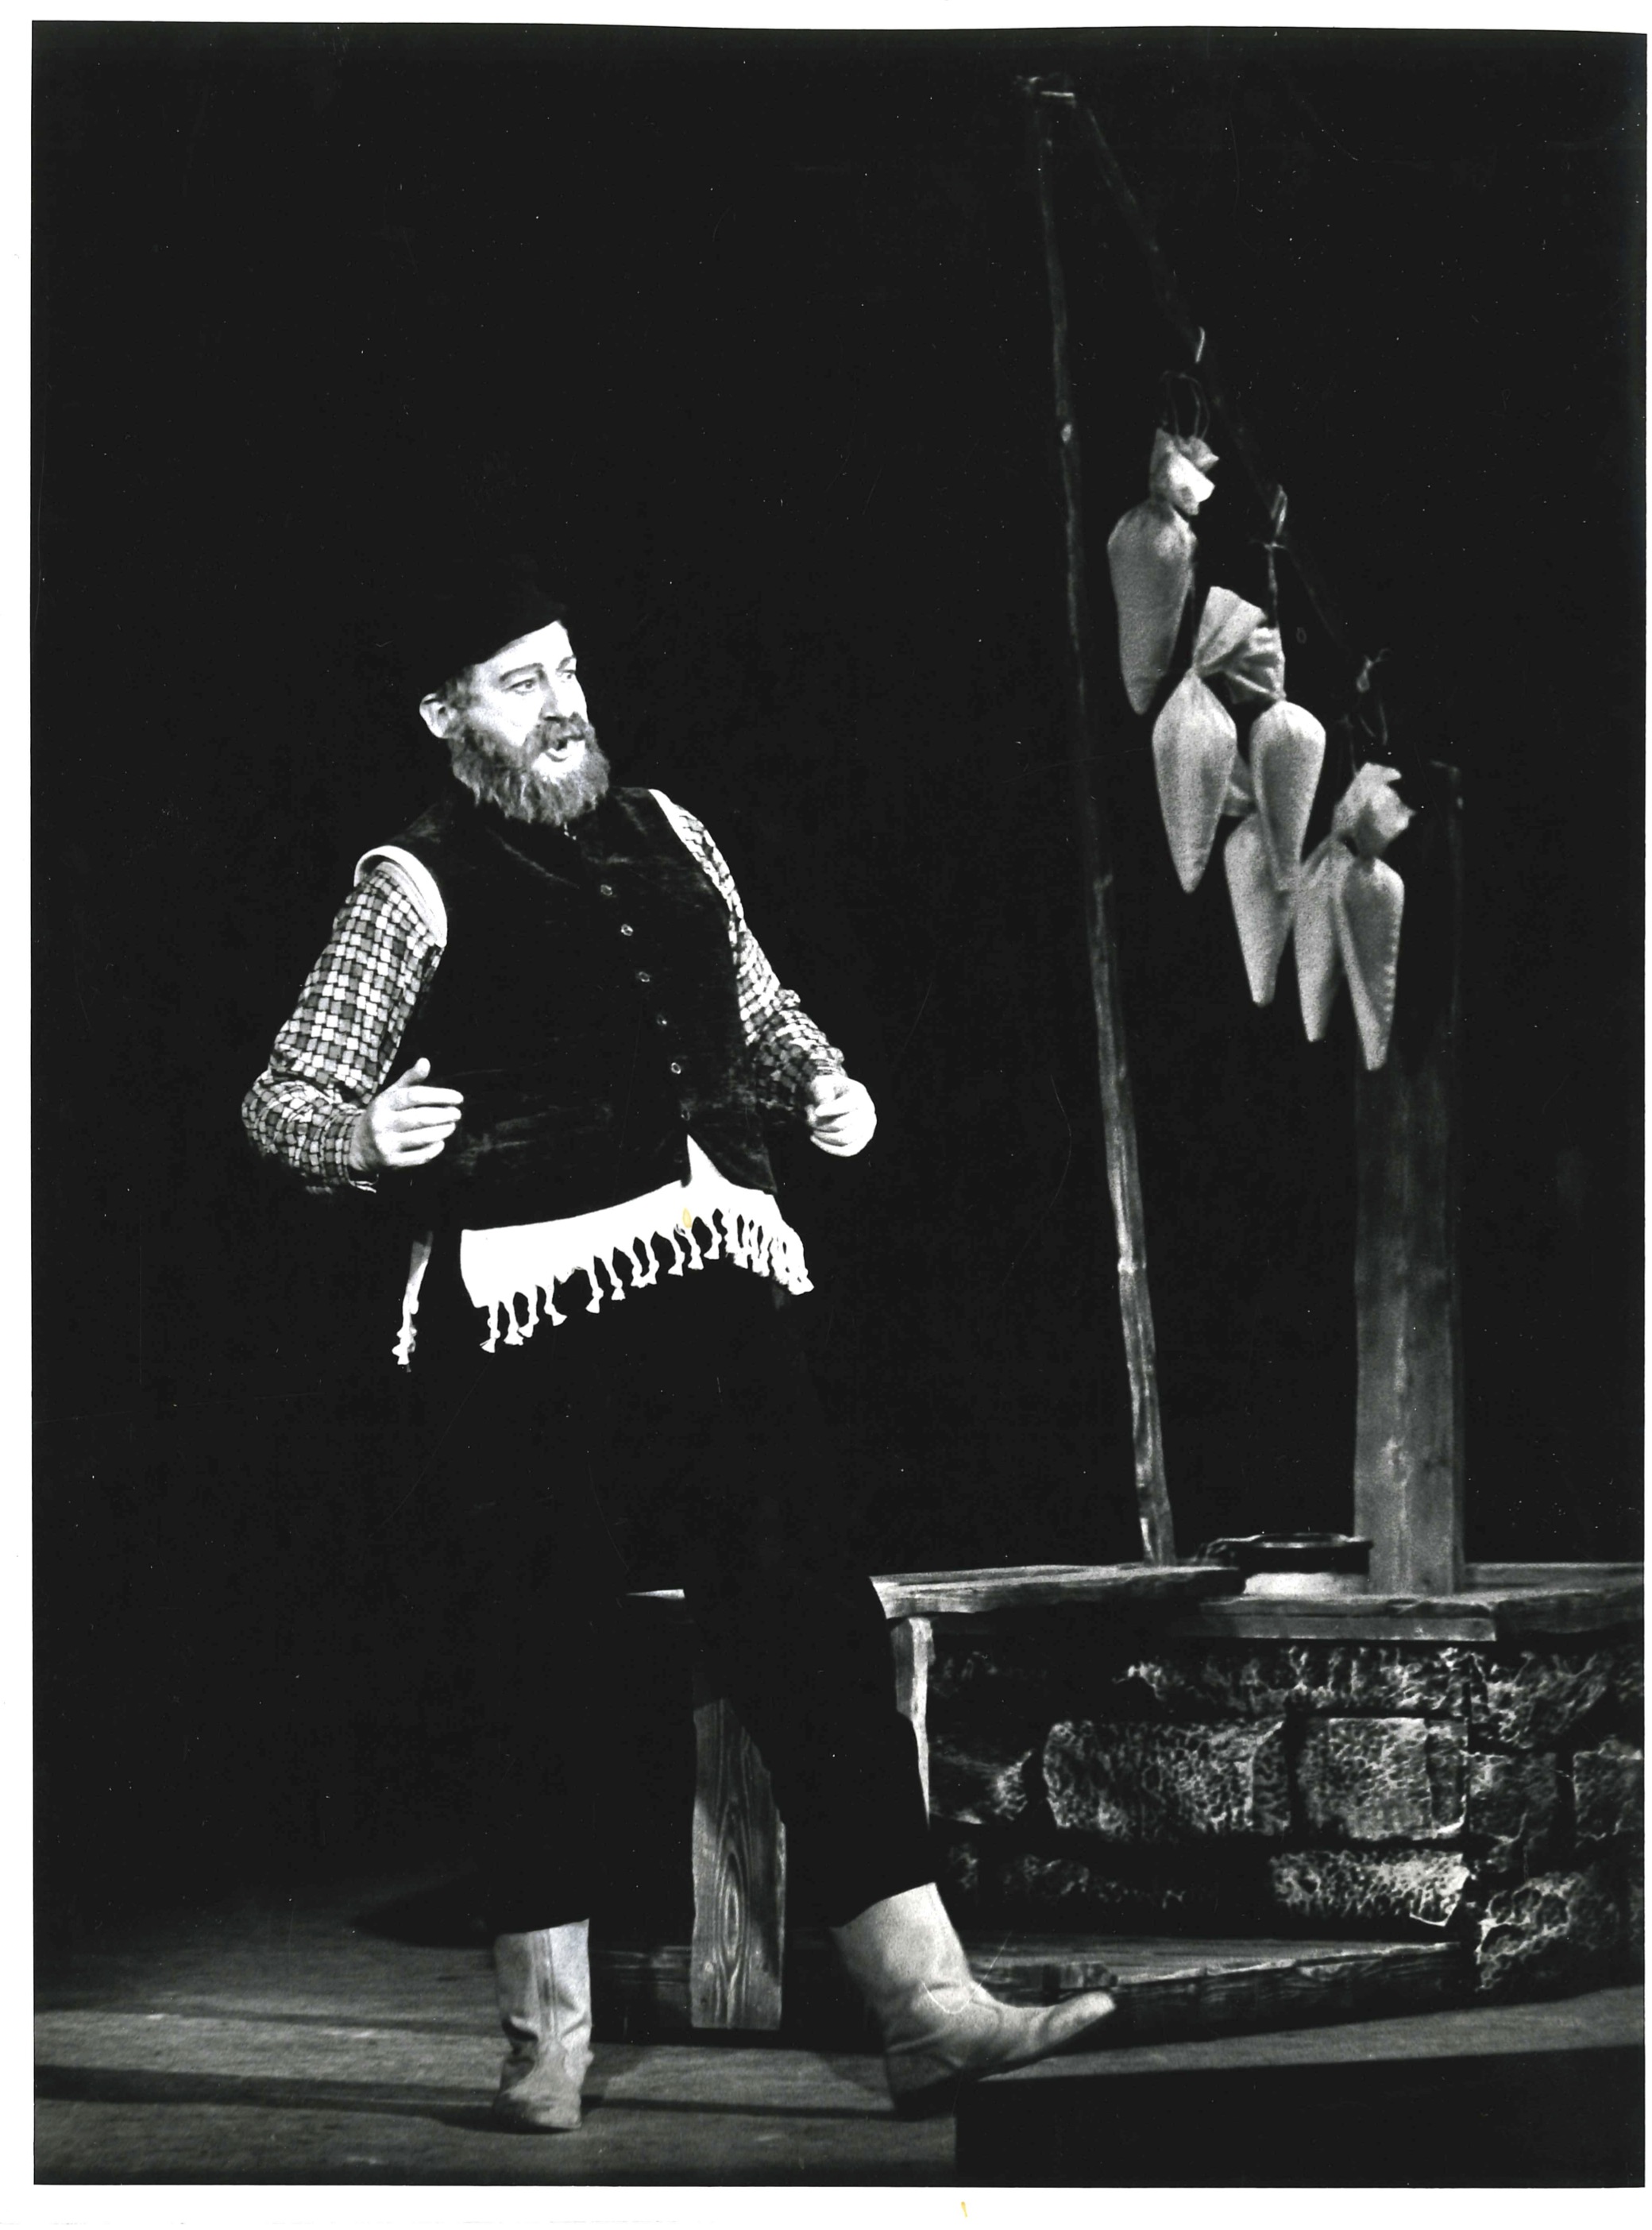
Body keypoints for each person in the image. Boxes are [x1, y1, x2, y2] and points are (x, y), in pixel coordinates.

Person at [242, 567, 1114, 2130]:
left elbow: (757, 1010)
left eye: (567, 669)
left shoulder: (672, 832)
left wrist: (822, 1083)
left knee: (818, 1635)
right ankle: (546, 2046)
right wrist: (362, 1135)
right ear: (447, 716)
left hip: (711, 1284)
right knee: (542, 1665)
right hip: (527, 1318)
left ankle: (930, 2011)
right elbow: (286, 1095)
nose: (563, 702)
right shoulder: (413, 881)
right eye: (521, 681)